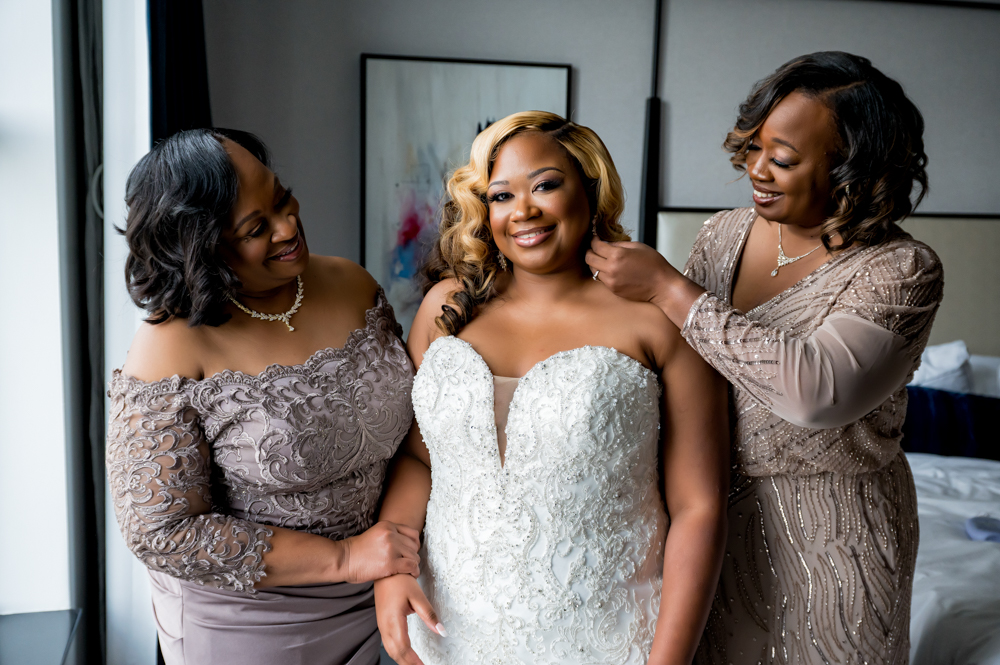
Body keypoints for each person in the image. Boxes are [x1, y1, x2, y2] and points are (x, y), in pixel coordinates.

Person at [586, 52, 943, 664]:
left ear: (854, 170)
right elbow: (677, 366)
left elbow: (818, 393)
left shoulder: (900, 270)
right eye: (752, 149)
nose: (756, 170)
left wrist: (672, 290)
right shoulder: (723, 234)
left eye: (780, 159)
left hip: (835, 545)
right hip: (705, 524)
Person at [373, 111, 730, 665]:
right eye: (501, 196)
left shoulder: (657, 319)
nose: (524, 211)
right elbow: (422, 458)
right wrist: (391, 569)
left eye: (545, 185)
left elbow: (699, 507)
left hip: (601, 635)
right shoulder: (445, 309)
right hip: (450, 631)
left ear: (590, 188)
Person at [106, 128, 419, 665]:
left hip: (381, 581)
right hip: (254, 623)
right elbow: (161, 532)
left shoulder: (351, 283)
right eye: (256, 228)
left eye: (281, 197)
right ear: (200, 250)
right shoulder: (169, 347)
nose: (288, 225)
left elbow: (419, 429)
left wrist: (391, 549)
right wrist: (343, 558)